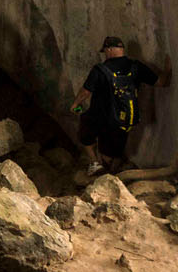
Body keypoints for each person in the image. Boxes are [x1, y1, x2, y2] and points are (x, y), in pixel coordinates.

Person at [70, 35, 168, 176]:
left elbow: (86, 91)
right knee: (110, 150)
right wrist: (168, 69)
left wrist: (75, 104)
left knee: (85, 125)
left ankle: (95, 164)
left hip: (101, 117)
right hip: (124, 119)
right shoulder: (136, 66)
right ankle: (109, 170)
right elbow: (161, 82)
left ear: (109, 49)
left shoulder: (101, 69)